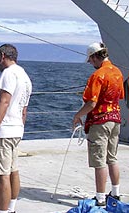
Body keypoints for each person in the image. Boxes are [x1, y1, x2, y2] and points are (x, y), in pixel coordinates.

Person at [0, 44, 32, 213]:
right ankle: (11, 208)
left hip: (4, 132)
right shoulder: (24, 76)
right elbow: (24, 109)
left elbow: (4, 102)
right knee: (13, 171)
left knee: (2, 174)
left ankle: (2, 211)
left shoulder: (8, 74)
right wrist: (20, 128)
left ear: (2, 55)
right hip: (17, 129)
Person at [73, 42, 124, 206]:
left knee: (99, 160)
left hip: (100, 121)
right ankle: (115, 193)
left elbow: (91, 103)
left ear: (95, 56)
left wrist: (77, 116)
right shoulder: (117, 72)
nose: (90, 63)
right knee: (112, 158)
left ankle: (100, 198)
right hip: (115, 119)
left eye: (90, 60)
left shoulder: (97, 75)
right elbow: (120, 96)